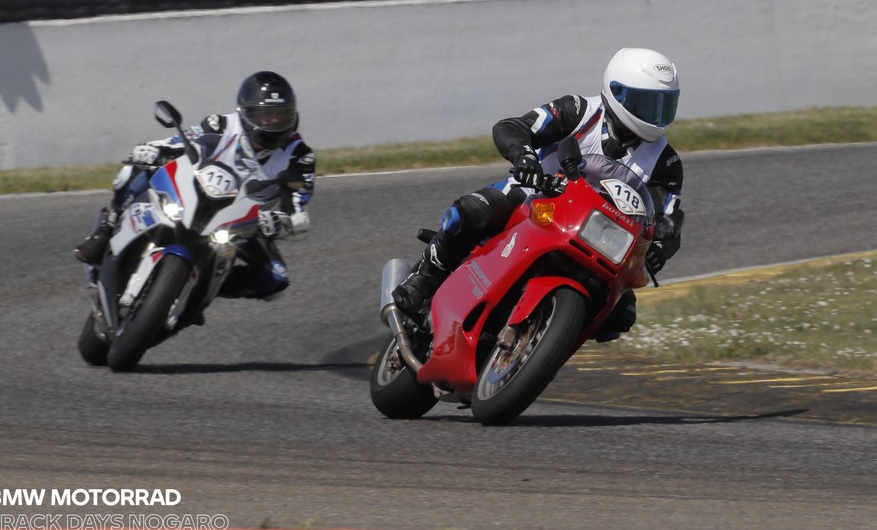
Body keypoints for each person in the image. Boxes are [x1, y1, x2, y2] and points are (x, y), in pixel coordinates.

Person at [390, 47, 685, 341]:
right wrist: (526, 160)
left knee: (620, 316)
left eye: (664, 104)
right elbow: (511, 127)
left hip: (602, 238)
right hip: (537, 197)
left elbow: (668, 220)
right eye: (648, 103)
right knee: (468, 214)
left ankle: (546, 340)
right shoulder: (579, 110)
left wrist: (659, 248)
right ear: (617, 92)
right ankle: (423, 279)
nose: (656, 115)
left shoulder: (665, 162)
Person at [74, 70, 317, 301]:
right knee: (136, 168)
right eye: (265, 115)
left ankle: (200, 291)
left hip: (246, 222)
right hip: (197, 193)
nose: (272, 122)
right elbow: (181, 140)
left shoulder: (300, 156)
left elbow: (298, 212)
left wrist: (281, 223)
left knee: (276, 280)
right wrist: (153, 149)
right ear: (245, 113)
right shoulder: (221, 124)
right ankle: (105, 230)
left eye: (280, 115)